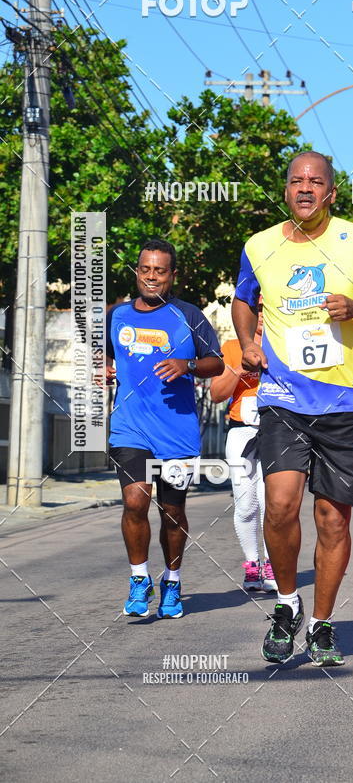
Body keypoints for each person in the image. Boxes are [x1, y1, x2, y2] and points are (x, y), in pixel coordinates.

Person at [232, 150, 353, 667]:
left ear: (331, 192)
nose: (305, 188)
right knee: (279, 504)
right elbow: (243, 299)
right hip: (283, 395)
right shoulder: (259, 246)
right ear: (285, 190)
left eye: (316, 181)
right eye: (296, 180)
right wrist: (248, 341)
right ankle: (287, 605)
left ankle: (322, 625)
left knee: (332, 519)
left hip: (344, 400)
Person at [106, 239, 224, 618]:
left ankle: (172, 581)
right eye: (145, 269)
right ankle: (139, 578)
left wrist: (186, 366)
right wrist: (105, 371)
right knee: (135, 501)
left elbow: (217, 363)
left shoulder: (189, 316)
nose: (151, 277)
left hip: (176, 432)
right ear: (137, 271)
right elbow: (109, 356)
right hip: (130, 429)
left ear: (172, 275)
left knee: (172, 512)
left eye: (160, 271)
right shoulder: (117, 315)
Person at [210, 303, 277, 591]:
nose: (262, 314)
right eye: (257, 309)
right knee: (246, 503)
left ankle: (273, 567)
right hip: (240, 431)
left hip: (277, 431)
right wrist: (240, 368)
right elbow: (215, 394)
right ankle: (252, 566)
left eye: (267, 307)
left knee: (271, 503)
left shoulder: (285, 345)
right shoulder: (232, 345)